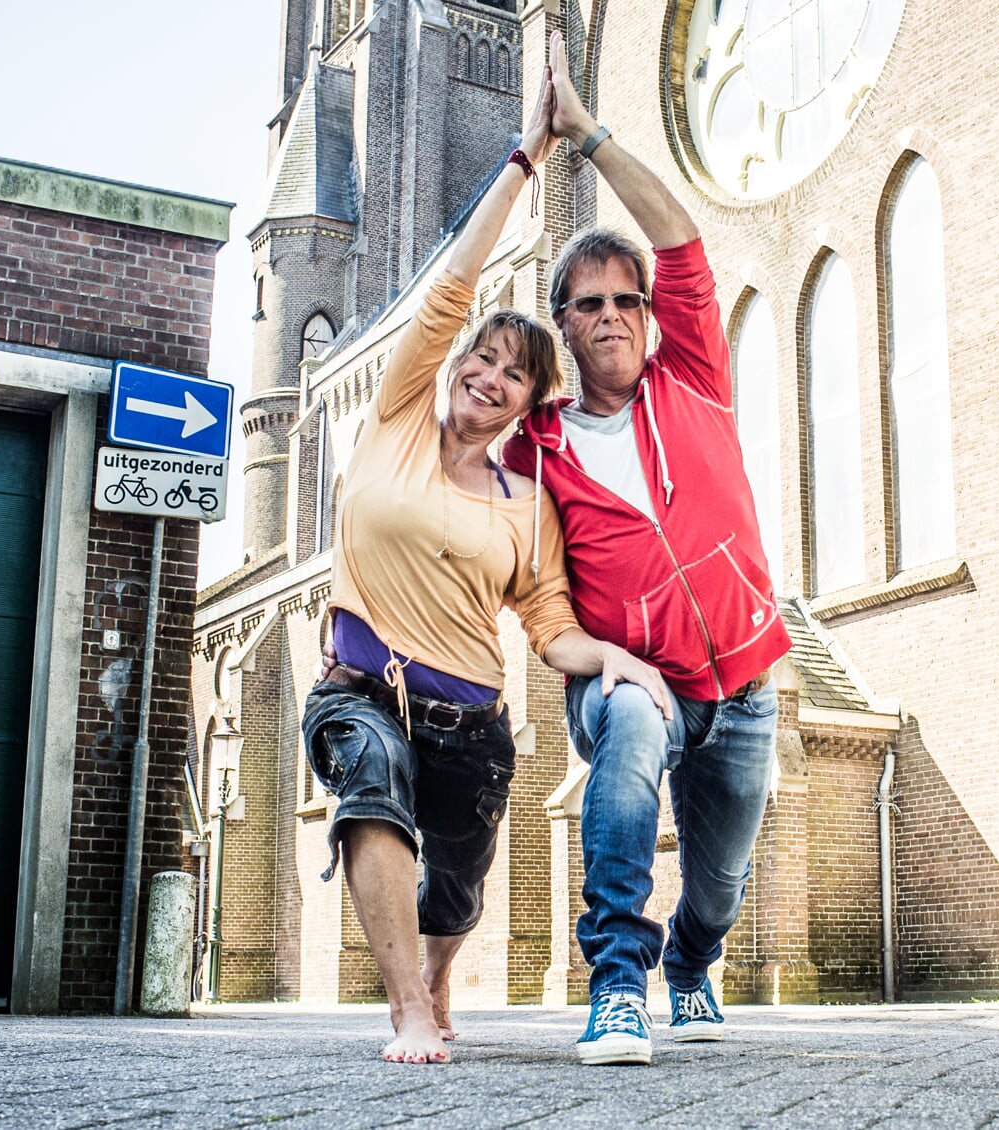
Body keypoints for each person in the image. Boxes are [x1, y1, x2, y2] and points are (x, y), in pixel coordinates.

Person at [301, 53, 671, 1067]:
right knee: (369, 782)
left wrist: (617, 659)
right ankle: (407, 1007)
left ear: (526, 404)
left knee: (458, 882)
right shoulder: (395, 422)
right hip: (359, 687)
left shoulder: (525, 503)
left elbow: (550, 624)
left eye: (517, 374)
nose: (493, 376)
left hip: (472, 719)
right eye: (485, 358)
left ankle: (440, 967)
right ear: (456, 363)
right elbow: (456, 281)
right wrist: (524, 158)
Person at [498, 37, 792, 1066]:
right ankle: (616, 984)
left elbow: (680, 238)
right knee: (624, 736)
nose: (616, 314)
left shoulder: (693, 375)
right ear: (564, 327)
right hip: (634, 678)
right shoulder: (534, 450)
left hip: (747, 683)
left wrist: (590, 137)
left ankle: (691, 960)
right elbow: (535, 594)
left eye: (629, 298)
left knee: (719, 877)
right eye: (592, 303)